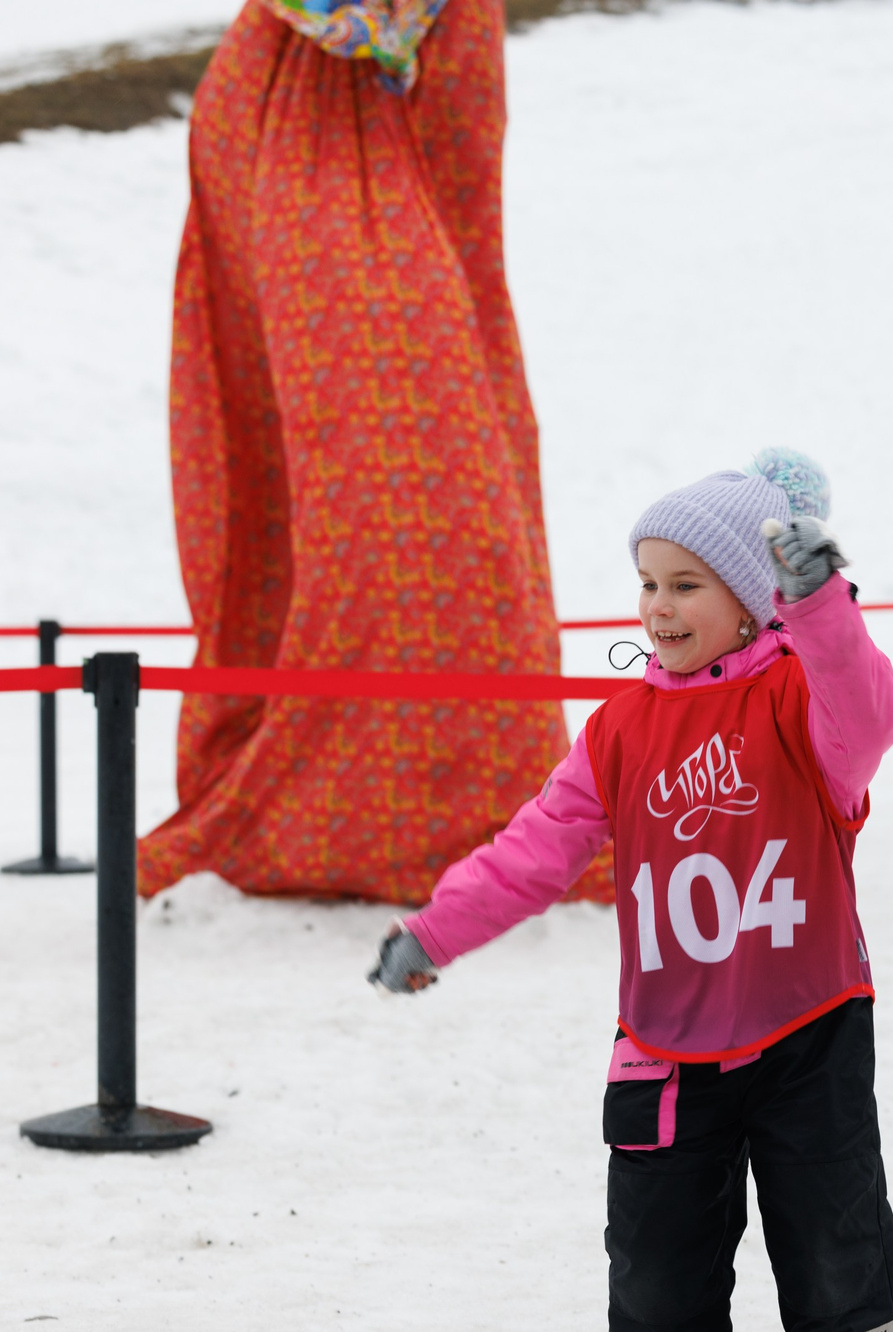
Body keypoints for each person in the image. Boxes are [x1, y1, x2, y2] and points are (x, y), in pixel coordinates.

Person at [370, 450, 893, 1332]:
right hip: (663, 1042)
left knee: (836, 1252)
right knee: (656, 1263)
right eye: (648, 583)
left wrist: (822, 600)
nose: (659, 608)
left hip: (811, 1030)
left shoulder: (805, 708)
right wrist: (436, 932)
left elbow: (874, 711)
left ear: (755, 602)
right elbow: (534, 849)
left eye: (687, 584)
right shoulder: (618, 730)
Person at [140, 0, 606, 909]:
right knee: (393, 464)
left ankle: (428, 798)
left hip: (395, 103)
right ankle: (357, 805)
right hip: (322, 112)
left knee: (432, 445)